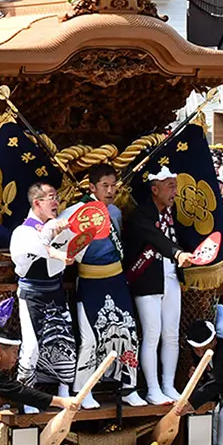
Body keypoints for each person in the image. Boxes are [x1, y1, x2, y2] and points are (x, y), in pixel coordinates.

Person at [71, 164, 144, 408]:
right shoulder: (77, 212)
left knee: (128, 333)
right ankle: (83, 388)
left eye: (114, 186)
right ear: (92, 187)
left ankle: (128, 387)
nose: (111, 190)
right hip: (90, 280)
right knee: (91, 338)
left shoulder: (115, 212)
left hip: (116, 279)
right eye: (105, 186)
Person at [124, 167, 195, 404]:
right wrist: (177, 253)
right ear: (155, 189)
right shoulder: (141, 214)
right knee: (152, 334)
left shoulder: (170, 214)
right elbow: (157, 239)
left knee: (172, 334)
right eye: (170, 186)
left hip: (171, 276)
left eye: (176, 185)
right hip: (146, 279)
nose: (175, 191)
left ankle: (168, 384)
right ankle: (153, 388)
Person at [9, 182, 78, 409]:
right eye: (51, 197)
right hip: (32, 296)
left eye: (57, 196)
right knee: (31, 347)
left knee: (64, 341)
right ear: (37, 203)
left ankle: (64, 390)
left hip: (55, 292)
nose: (56, 201)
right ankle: (26, 396)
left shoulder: (56, 225)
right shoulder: (24, 231)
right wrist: (59, 247)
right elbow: (42, 248)